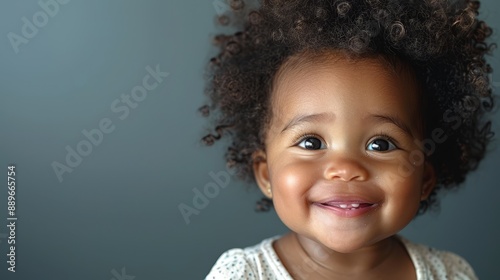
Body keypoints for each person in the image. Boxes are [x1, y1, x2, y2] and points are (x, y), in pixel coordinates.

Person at [201, 0, 495, 279]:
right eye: (311, 143)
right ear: (265, 174)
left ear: (425, 178)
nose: (345, 167)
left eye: (380, 144)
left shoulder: (450, 273)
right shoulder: (242, 274)